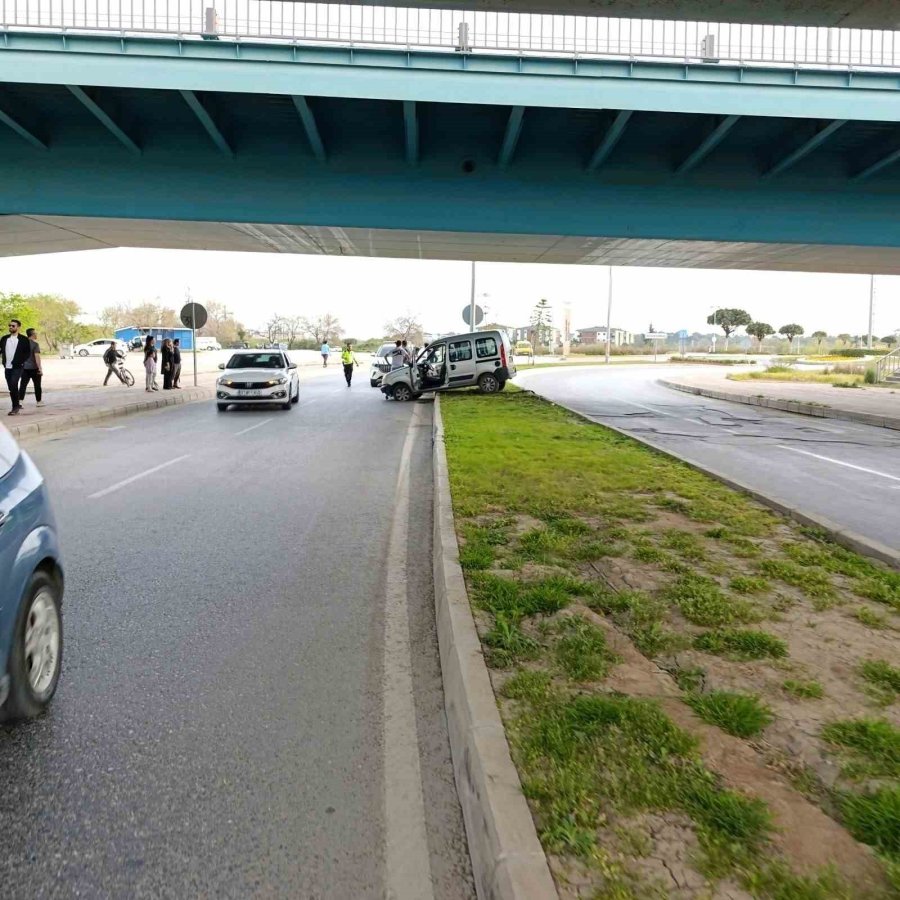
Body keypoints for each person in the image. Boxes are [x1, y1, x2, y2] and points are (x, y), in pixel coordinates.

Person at [0, 319, 32, 416]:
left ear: (18, 327)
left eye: (13, 326)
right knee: (11, 387)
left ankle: (15, 407)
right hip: (7, 366)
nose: (10, 327)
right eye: (9, 325)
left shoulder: (23, 339)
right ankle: (17, 405)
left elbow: (27, 353)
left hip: (17, 367)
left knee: (13, 384)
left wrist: (20, 361)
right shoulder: (4, 338)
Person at [19, 327, 44, 407]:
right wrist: (40, 368)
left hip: (24, 368)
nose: (36, 334)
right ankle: (39, 402)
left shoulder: (21, 344)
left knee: (23, 385)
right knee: (37, 385)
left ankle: (20, 401)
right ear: (32, 334)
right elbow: (37, 357)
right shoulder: (35, 344)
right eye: (35, 333)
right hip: (34, 368)